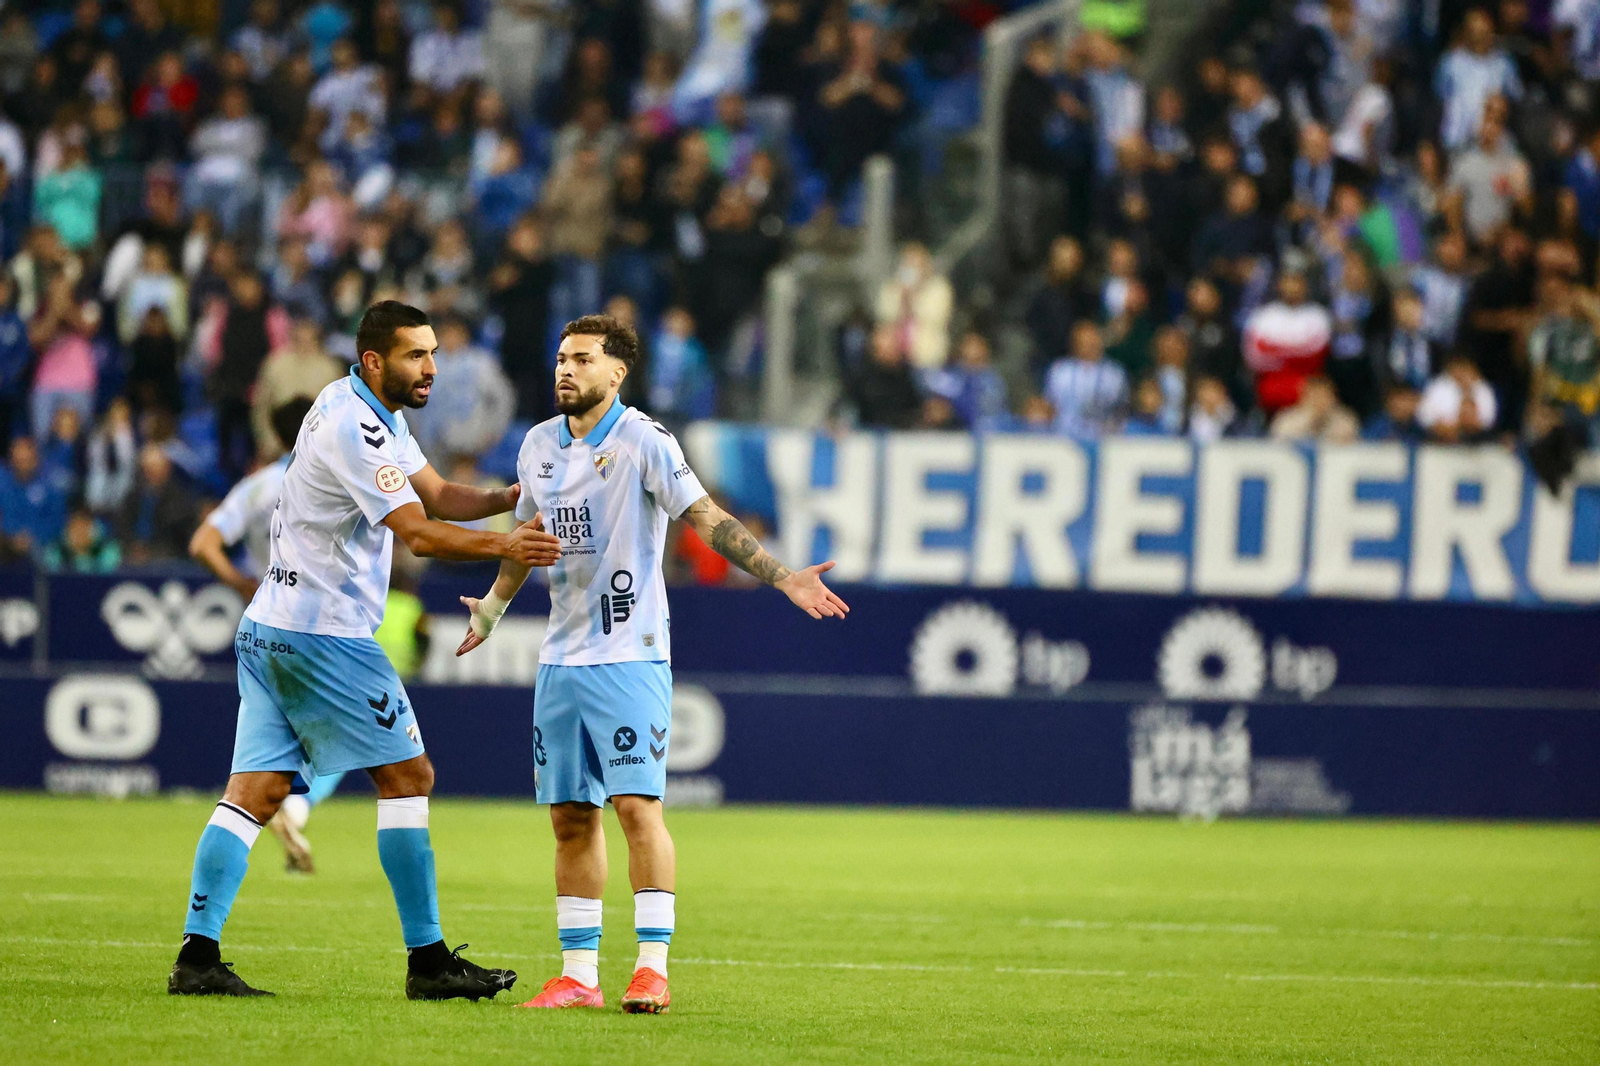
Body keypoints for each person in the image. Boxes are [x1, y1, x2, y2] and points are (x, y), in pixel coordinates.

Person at [167, 301, 561, 999]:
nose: (432, 368)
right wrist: (510, 543)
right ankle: (429, 962)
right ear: (375, 359)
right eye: (417, 355)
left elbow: (437, 495)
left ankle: (197, 957)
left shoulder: (358, 404)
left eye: (434, 353)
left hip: (269, 627)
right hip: (325, 637)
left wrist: (509, 496)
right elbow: (420, 533)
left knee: (251, 794)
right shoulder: (357, 427)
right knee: (409, 778)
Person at [455, 314, 848, 1014]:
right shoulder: (538, 446)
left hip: (628, 655)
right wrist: (489, 612)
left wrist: (782, 576)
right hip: (561, 660)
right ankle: (578, 978)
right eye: (560, 359)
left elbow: (705, 518)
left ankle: (652, 969)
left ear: (617, 372)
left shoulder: (644, 440)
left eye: (581, 359)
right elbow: (530, 541)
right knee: (571, 819)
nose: (565, 370)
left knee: (637, 807)